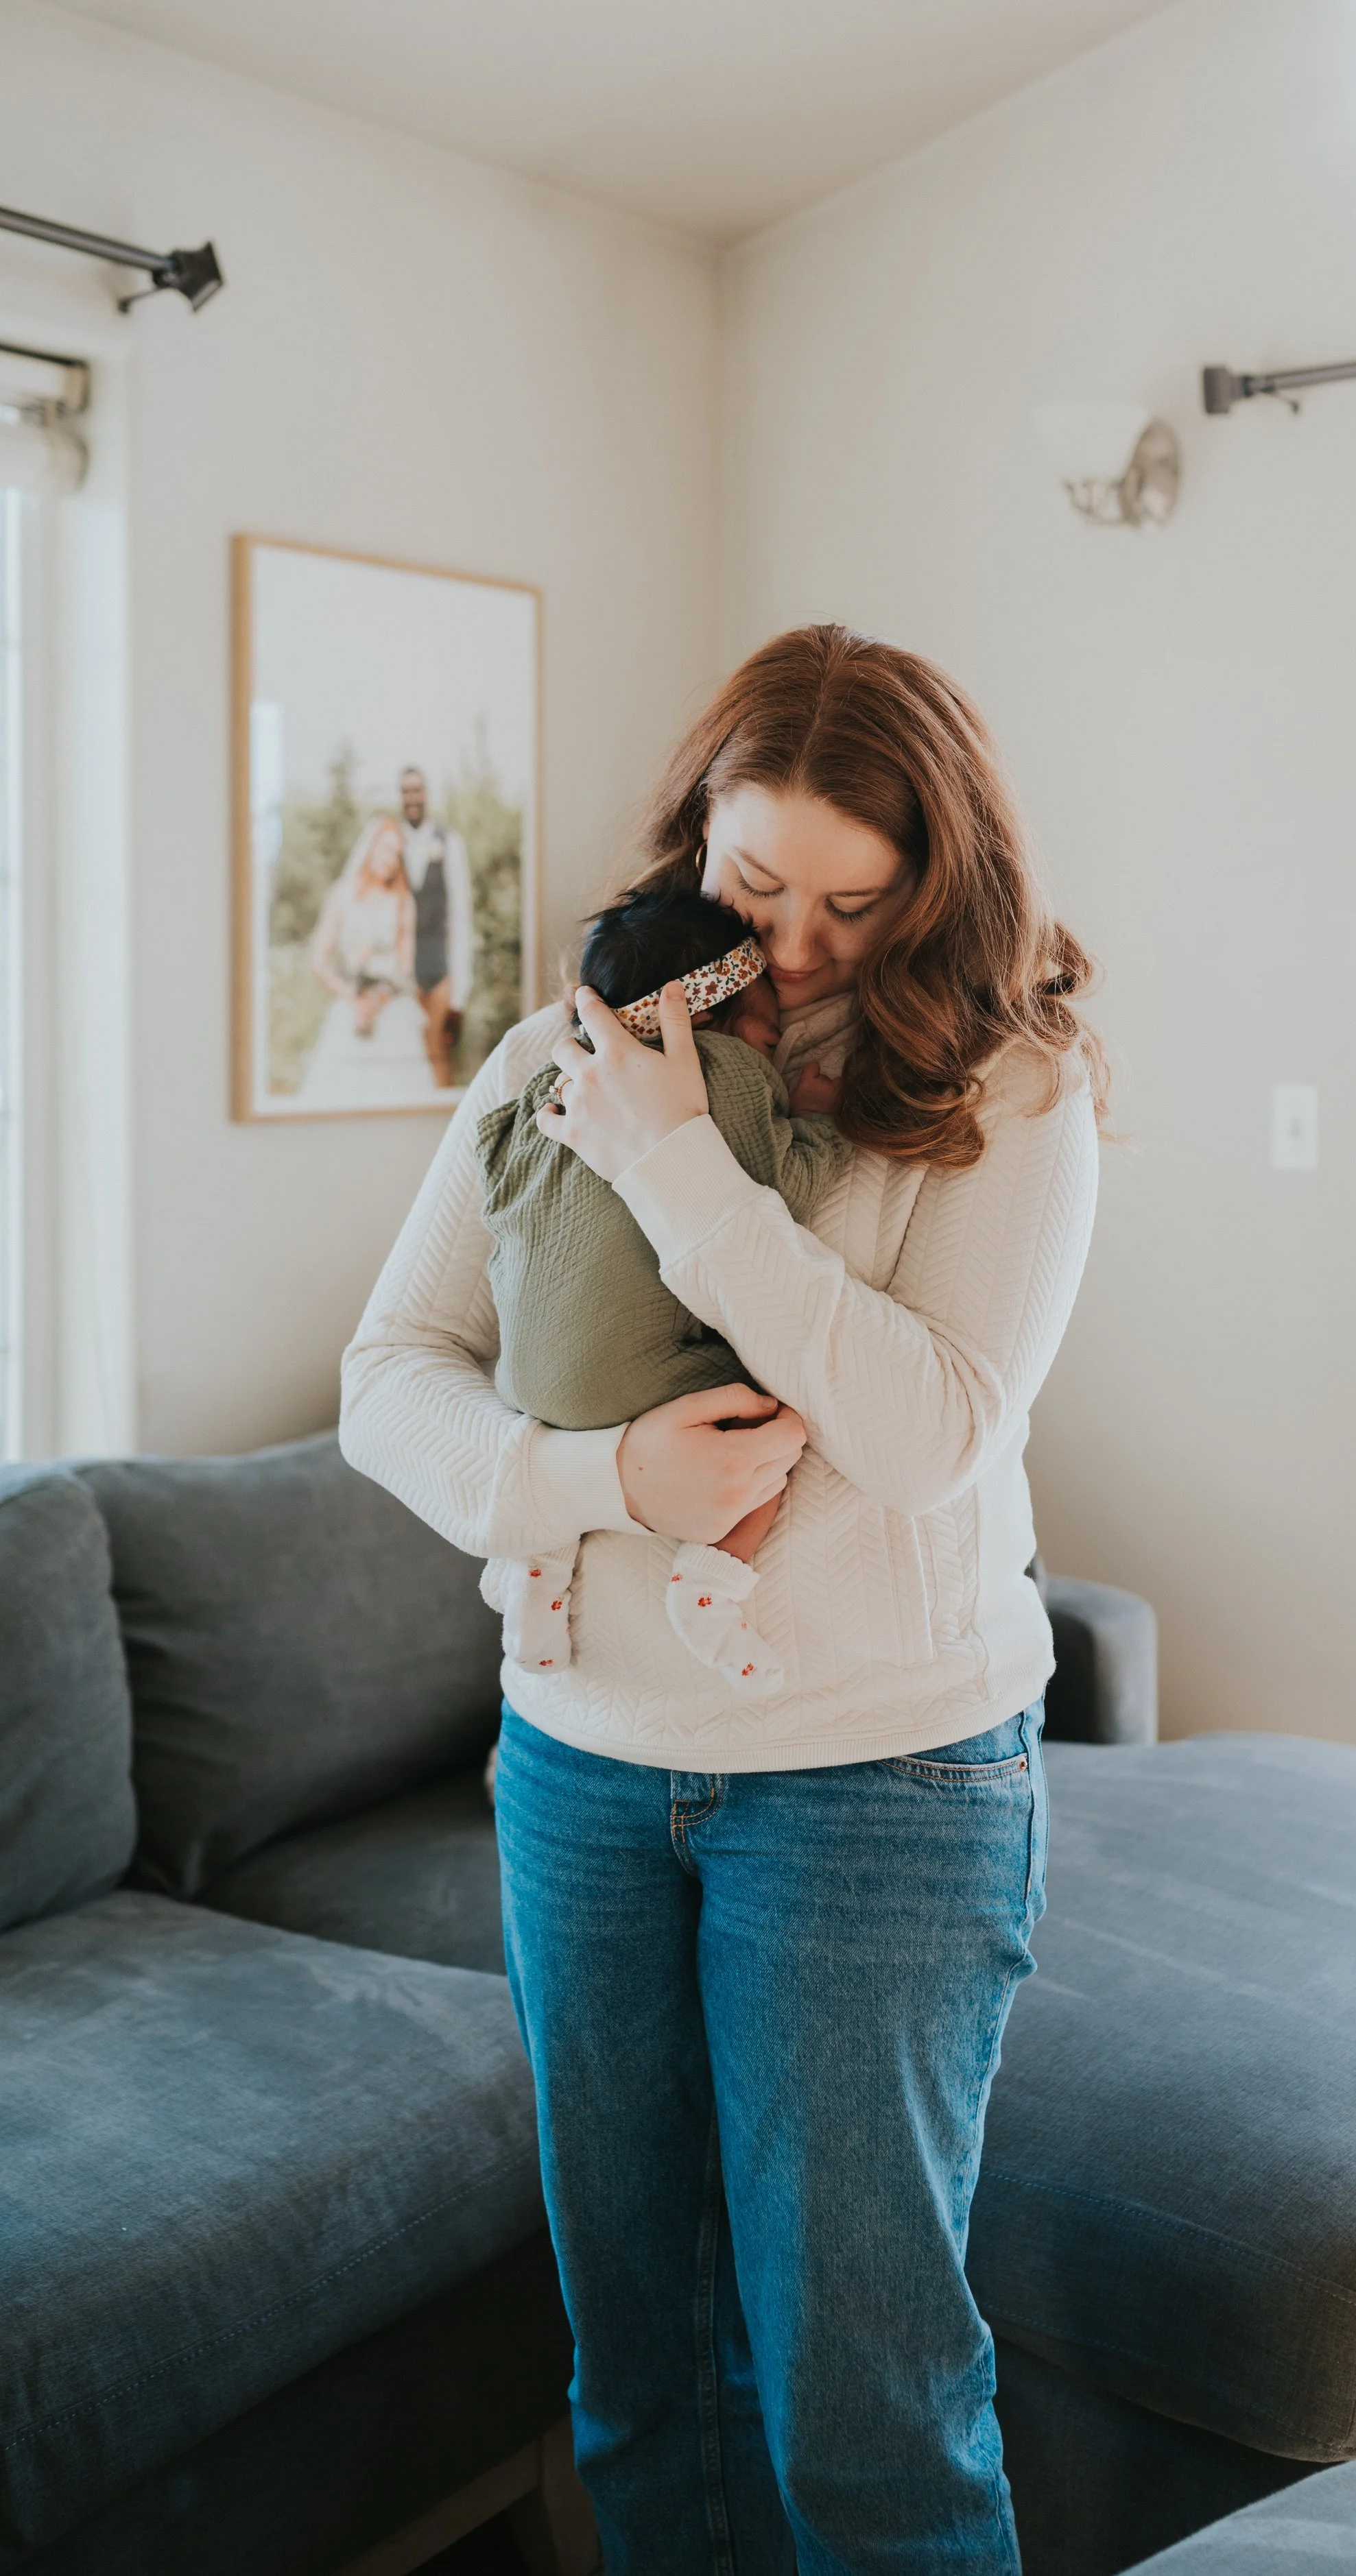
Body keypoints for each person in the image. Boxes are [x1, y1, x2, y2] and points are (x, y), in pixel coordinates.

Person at [341, 624, 1103, 2573]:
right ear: (697, 836)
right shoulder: (554, 1056)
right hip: (579, 1777)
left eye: (861, 901)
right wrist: (598, 1480)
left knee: (869, 2408)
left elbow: (929, 1428)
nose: (806, 941)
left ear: (940, 883)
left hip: (878, 1787)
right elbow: (390, 1374)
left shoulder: (1009, 1091)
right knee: (638, 2373)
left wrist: (683, 1167)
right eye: (760, 885)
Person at [477, 880, 848, 1687]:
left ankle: (535, 1568)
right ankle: (712, 1581)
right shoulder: (720, 1069)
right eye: (768, 1022)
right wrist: (815, 1117)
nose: (772, 1041)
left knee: (567, 1398)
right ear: (710, 1014)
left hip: (522, 1387)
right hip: (636, 1381)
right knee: (775, 1410)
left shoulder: (549, 1080)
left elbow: (494, 1173)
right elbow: (777, 1186)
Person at [300, 817, 438, 1107]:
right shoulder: (342, 894)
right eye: (386, 849)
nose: (390, 860)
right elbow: (319, 960)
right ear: (371, 846)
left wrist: (380, 997)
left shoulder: (403, 901)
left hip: (391, 1007)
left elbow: (406, 965)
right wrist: (353, 996)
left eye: (397, 854)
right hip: (351, 1006)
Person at [398, 765, 474, 1087]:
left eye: (417, 790)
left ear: (426, 794)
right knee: (405, 1056)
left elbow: (460, 914)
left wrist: (460, 991)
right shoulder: (391, 842)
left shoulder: (449, 841)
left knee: (438, 1055)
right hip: (401, 969)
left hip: (438, 965)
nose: (412, 798)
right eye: (405, 791)